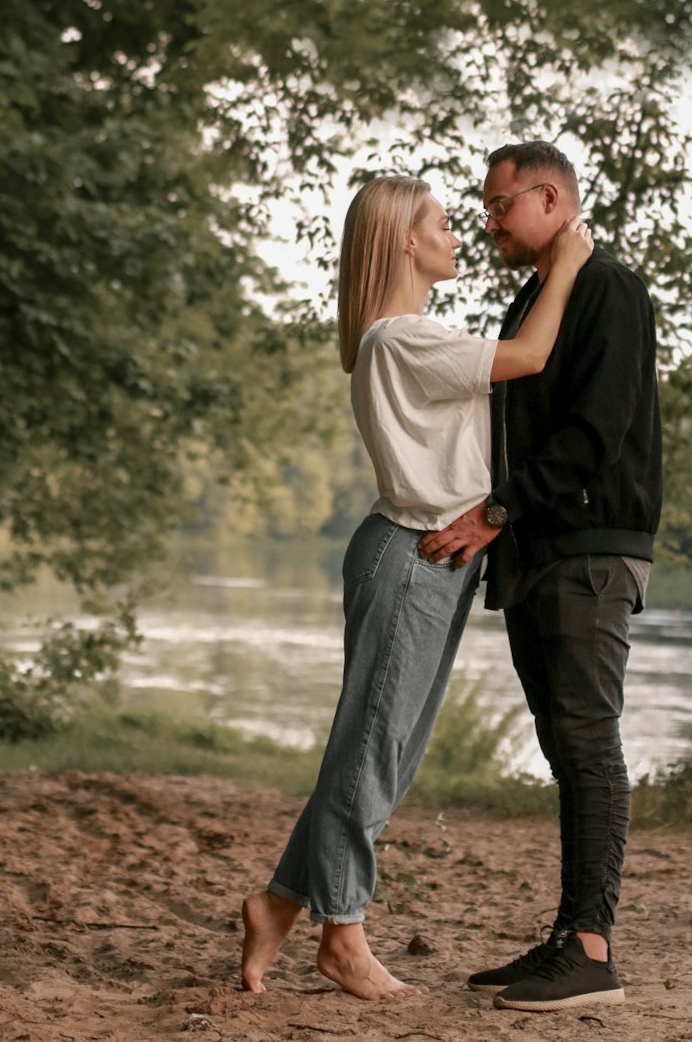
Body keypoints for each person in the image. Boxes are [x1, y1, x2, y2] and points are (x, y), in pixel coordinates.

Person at [240, 174, 593, 1002]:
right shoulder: (402, 338)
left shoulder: (405, 337)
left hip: (427, 558)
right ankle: (344, 936)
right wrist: (569, 261)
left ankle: (280, 905)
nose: (460, 234)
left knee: (376, 752)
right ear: (405, 238)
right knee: (373, 752)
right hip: (412, 553)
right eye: (442, 222)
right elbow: (532, 355)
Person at [419, 141, 662, 1013]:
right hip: (542, 551)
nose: (489, 221)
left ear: (550, 197)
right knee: (567, 746)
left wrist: (491, 514)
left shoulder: (609, 290)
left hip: (590, 549)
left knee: (588, 741)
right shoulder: (541, 298)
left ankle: (593, 949)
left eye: (499, 205)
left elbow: (596, 434)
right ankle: (570, 934)